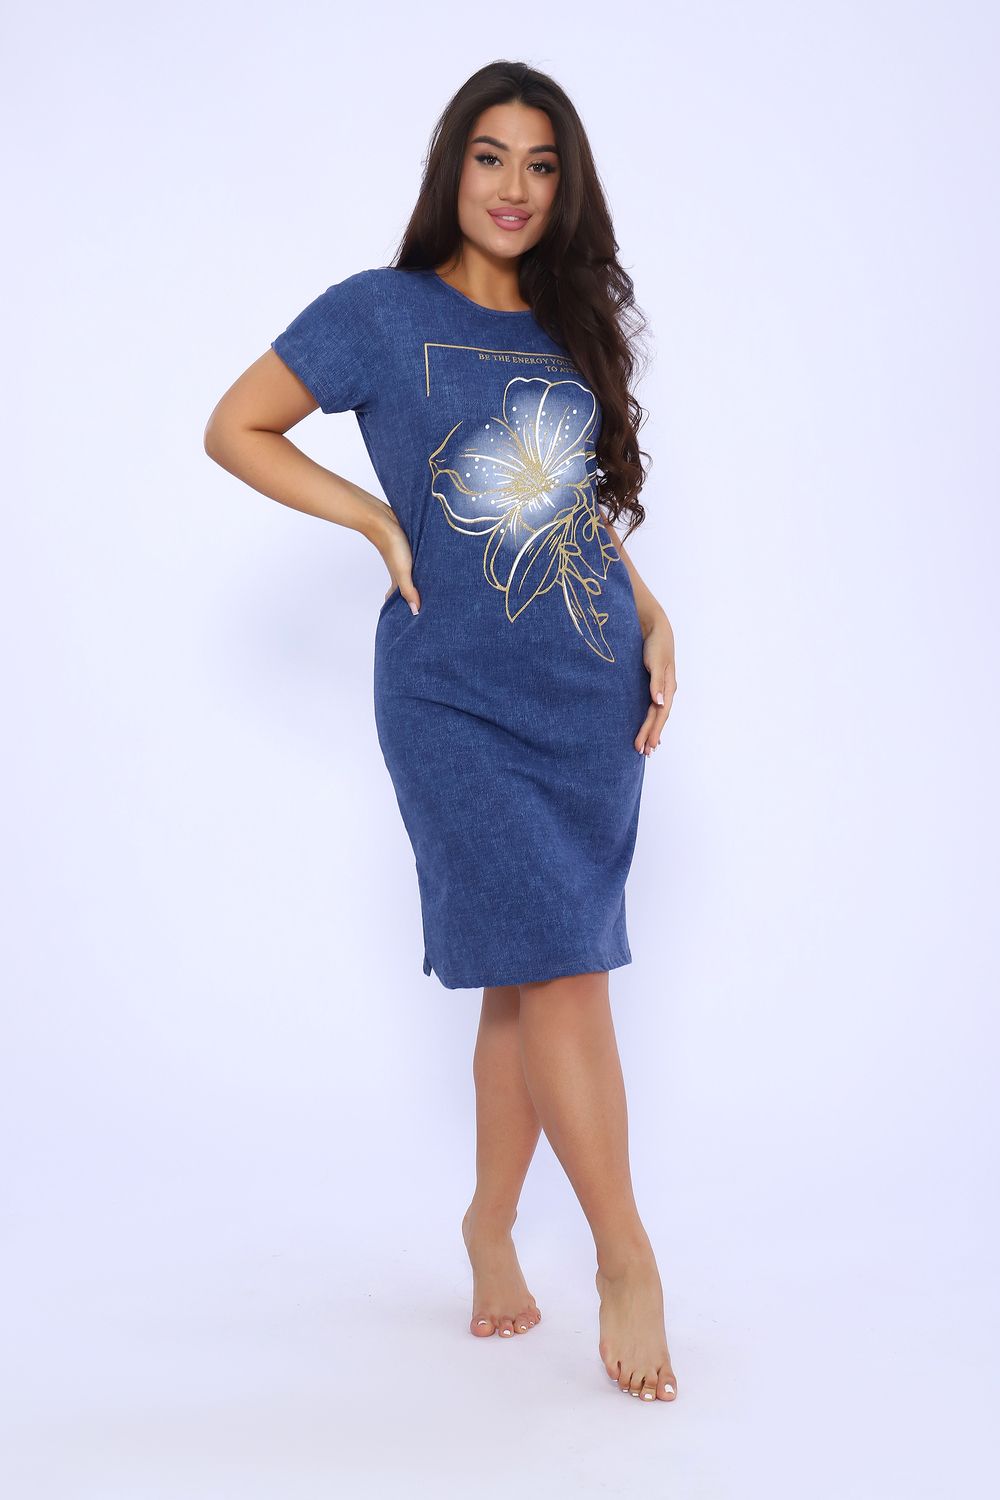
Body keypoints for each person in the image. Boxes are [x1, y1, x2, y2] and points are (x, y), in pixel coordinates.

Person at [204, 59, 679, 1404]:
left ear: (565, 186)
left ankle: (488, 1225)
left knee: (528, 975)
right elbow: (235, 426)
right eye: (489, 156)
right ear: (450, 168)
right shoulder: (380, 311)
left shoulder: (570, 328)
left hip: (588, 691)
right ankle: (628, 1257)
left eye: (540, 163)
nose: (514, 186)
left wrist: (652, 612)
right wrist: (374, 517)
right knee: (563, 963)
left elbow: (574, 507)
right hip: (451, 695)